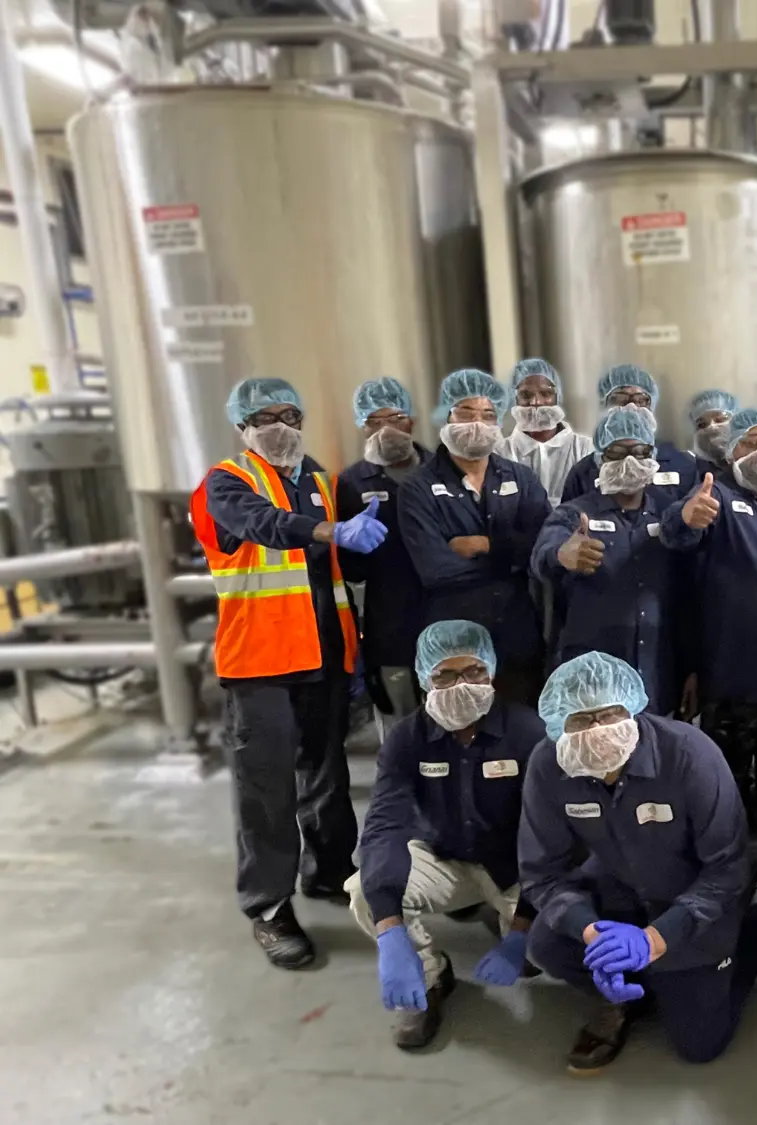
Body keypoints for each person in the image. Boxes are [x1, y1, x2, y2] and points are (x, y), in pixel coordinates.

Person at [189, 377, 384, 968]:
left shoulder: (320, 479)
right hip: (261, 664)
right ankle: (269, 906)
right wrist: (330, 530)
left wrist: (363, 533)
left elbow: (336, 562)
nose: (281, 426)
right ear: (243, 425)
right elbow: (262, 525)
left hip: (324, 657)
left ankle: (330, 873)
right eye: (267, 416)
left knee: (325, 775)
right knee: (266, 789)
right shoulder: (226, 483)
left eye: (291, 415)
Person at [518, 652, 757, 1072]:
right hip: (617, 889)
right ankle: (622, 994)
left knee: (699, 1045)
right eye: (581, 720)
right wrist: (591, 932)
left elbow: (725, 869)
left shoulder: (690, 754)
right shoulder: (549, 765)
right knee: (546, 944)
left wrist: (655, 940)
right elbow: (542, 874)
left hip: (694, 903)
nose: (598, 730)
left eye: (611, 713)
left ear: (634, 706)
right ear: (556, 723)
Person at [348, 620, 547, 1049]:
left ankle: (506, 920)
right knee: (366, 891)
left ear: (491, 670)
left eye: (473, 671)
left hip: (512, 866)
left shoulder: (527, 732)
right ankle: (431, 978)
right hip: (443, 856)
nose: (461, 684)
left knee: (549, 949)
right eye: (445, 674)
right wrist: (389, 929)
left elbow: (548, 837)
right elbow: (386, 823)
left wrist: (521, 930)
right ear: (424, 678)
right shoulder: (407, 739)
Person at [660, 408, 757, 831]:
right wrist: (685, 518)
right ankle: (726, 854)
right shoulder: (715, 499)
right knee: (725, 776)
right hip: (733, 675)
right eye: (751, 442)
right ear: (731, 453)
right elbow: (678, 530)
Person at [398, 368, 550, 703]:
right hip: (452, 640)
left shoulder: (521, 478)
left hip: (516, 632)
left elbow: (542, 546)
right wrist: (511, 560)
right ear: (446, 416)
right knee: (458, 730)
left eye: (487, 415)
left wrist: (487, 546)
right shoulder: (417, 487)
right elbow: (436, 569)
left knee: (519, 728)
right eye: (466, 413)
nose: (477, 423)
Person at [531, 408, 686, 714]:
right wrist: (562, 554)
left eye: (640, 452)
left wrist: (689, 668)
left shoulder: (668, 515)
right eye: (617, 452)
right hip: (594, 677)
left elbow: (688, 595)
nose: (630, 461)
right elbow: (543, 553)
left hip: (658, 670)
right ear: (600, 458)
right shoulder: (575, 514)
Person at [337, 377, 431, 730]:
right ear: (362, 427)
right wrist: (351, 543)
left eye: (394, 418)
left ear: (412, 420)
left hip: (446, 616)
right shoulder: (350, 484)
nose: (386, 429)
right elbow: (350, 569)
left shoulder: (444, 471)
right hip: (389, 626)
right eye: (374, 422)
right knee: (399, 727)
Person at [559, 364, 699, 504]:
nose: (631, 407)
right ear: (603, 405)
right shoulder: (584, 472)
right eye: (619, 400)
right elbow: (569, 517)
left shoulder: (682, 465)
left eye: (641, 400)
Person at [496, 357, 594, 506]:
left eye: (546, 394)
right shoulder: (500, 453)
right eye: (526, 395)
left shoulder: (584, 449)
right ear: (513, 399)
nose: (536, 402)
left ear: (558, 396)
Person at [685, 388, 738, 468]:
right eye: (702, 424)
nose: (712, 427)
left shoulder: (756, 460)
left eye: (720, 419)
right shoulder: (690, 468)